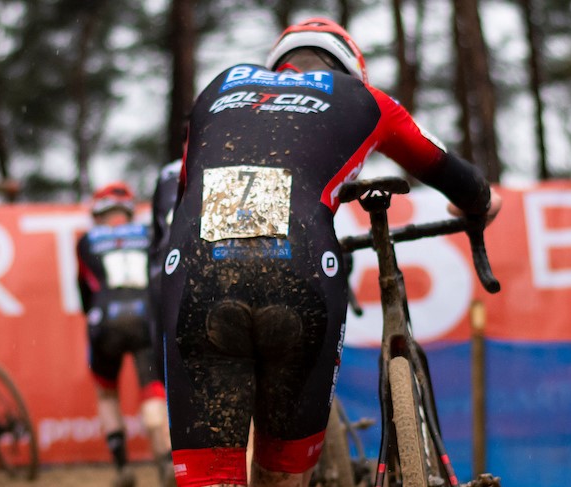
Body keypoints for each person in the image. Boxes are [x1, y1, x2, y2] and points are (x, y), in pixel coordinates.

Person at [160, 17, 502, 487]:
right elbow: (447, 169)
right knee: (282, 476)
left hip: (199, 271)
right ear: (351, 69)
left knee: (211, 477)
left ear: (279, 63)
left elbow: (182, 196)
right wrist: (483, 202)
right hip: (299, 272)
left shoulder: (219, 89)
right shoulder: (365, 99)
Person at [76, 182, 175, 487]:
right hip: (146, 317)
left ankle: (121, 468)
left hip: (105, 320)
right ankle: (166, 462)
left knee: (107, 393)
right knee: (154, 392)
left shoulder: (86, 241)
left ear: (98, 212)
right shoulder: (147, 233)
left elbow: (84, 291)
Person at [147, 158, 183, 381]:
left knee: (169, 374)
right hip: (210, 266)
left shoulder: (168, 173)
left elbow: (156, 239)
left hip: (168, 271)